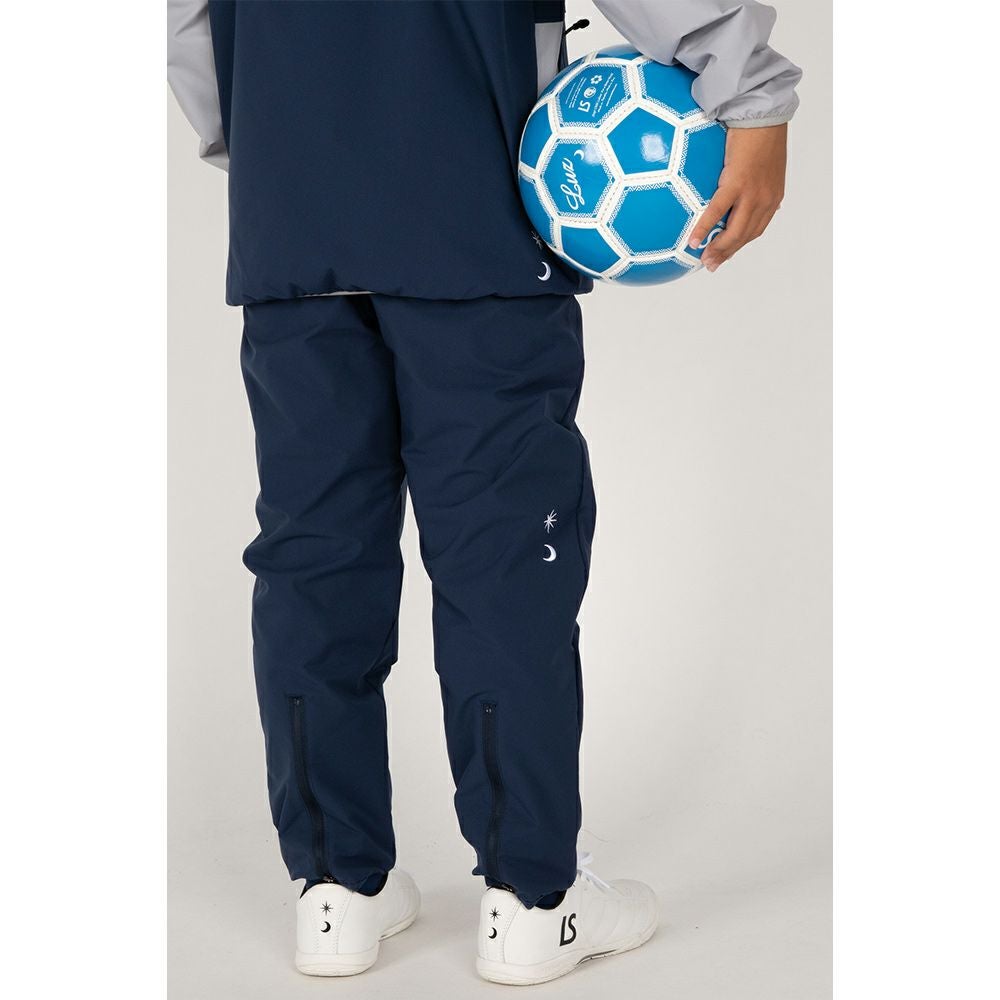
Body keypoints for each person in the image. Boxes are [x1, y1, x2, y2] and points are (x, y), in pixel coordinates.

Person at [168, 0, 800, 985]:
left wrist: (270, 140)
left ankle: (335, 890)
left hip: (290, 215)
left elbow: (193, 25)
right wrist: (750, 94)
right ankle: (531, 900)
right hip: (467, 208)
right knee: (504, 561)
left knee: (313, 557)